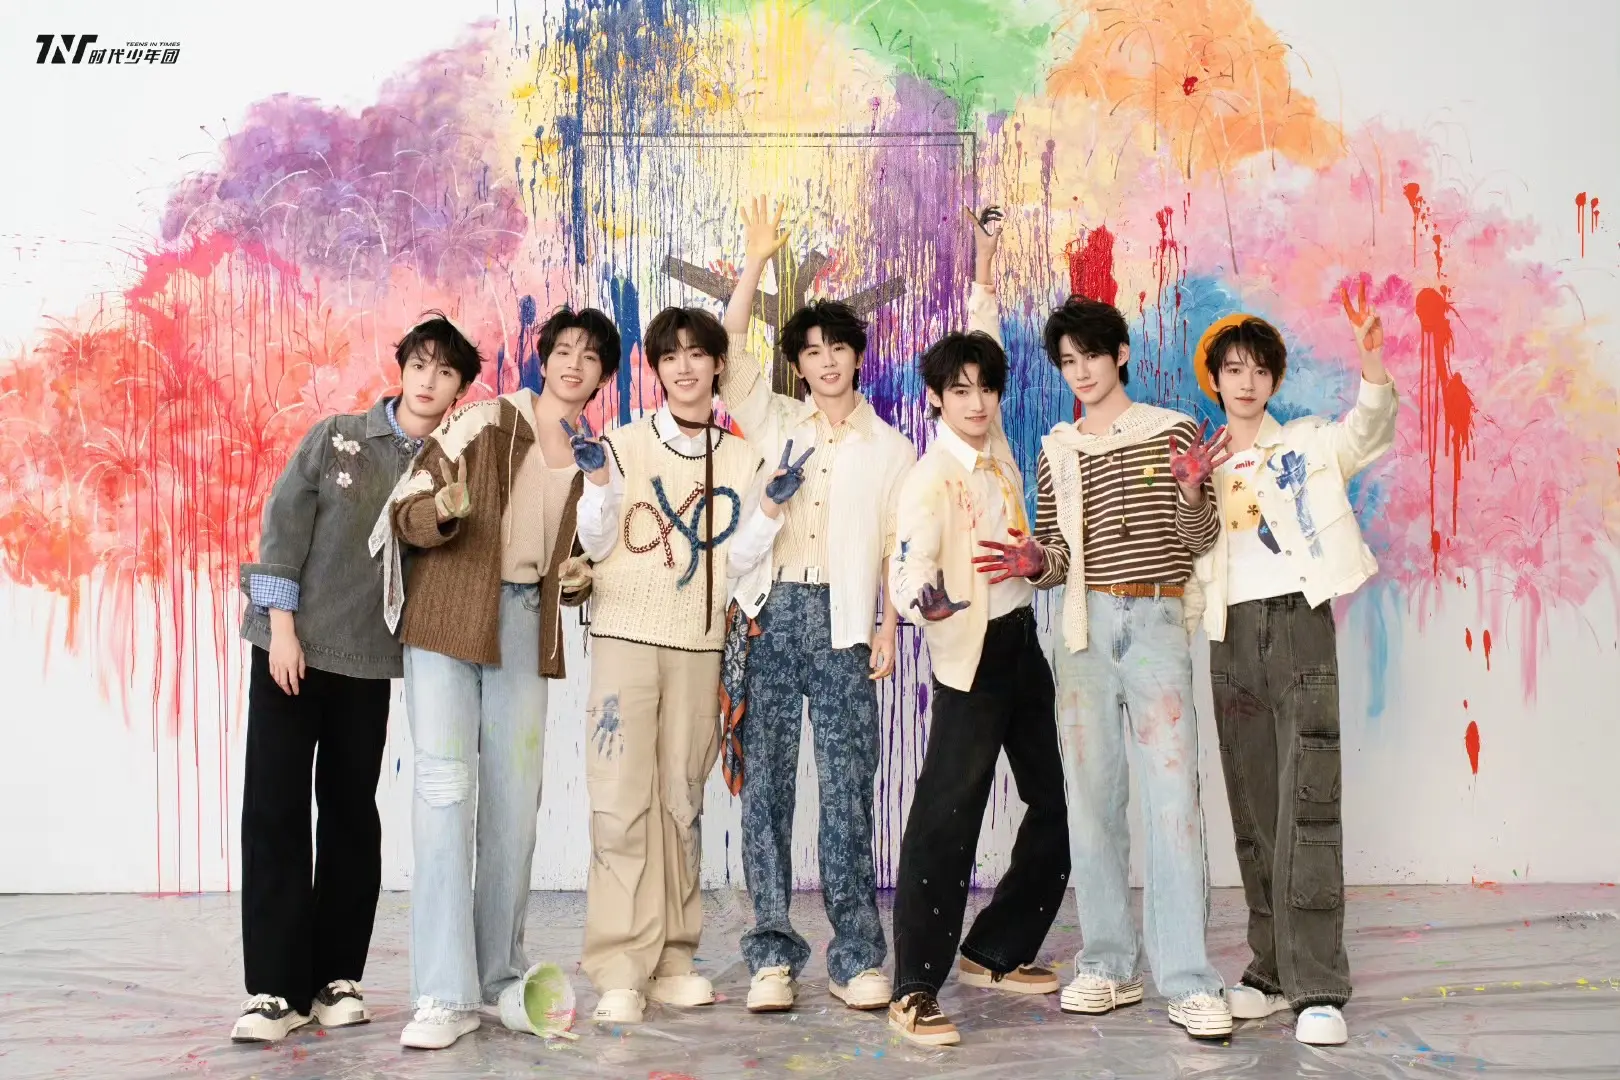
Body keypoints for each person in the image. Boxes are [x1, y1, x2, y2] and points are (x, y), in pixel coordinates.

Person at [996, 293, 1235, 1039]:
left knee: (1173, 803)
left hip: (1157, 623)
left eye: (1092, 356)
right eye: (1068, 362)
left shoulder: (1174, 430)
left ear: (1120, 354)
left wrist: (1191, 488)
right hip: (1083, 633)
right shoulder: (1058, 448)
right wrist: (1035, 562)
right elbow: (1058, 558)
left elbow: (1199, 539)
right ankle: (1106, 963)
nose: (1081, 372)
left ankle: (1188, 978)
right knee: (1090, 802)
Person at [231, 314, 474, 1042]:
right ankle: (275, 991)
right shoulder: (337, 437)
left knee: (348, 815)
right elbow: (283, 527)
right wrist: (281, 630)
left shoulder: (452, 466)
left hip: (369, 663)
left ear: (460, 388)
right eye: (420, 365)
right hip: (292, 650)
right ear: (402, 368)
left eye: (446, 372)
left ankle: (337, 975)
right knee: (274, 810)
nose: (429, 381)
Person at [383, 306, 620, 1050]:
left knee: (515, 806)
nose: (574, 363)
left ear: (603, 377)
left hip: (523, 625)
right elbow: (406, 506)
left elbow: (590, 550)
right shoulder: (487, 420)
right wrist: (442, 510)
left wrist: (578, 578)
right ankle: (442, 994)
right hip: (448, 615)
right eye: (564, 350)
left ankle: (496, 977)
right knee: (445, 795)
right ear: (544, 359)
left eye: (591, 357)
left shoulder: (596, 454)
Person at [571, 304, 803, 1026]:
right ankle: (620, 966)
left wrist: (769, 509)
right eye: (669, 356)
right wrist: (599, 485)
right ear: (656, 368)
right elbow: (595, 541)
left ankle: (673, 958)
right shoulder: (621, 445)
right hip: (625, 637)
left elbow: (737, 561)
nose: (684, 367)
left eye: (697, 353)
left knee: (681, 799)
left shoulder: (740, 457)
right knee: (621, 801)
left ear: (717, 365)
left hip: (699, 647)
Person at [713, 197, 916, 1014]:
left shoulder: (893, 447)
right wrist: (756, 260)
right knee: (764, 791)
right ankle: (770, 953)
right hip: (769, 616)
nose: (827, 361)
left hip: (845, 624)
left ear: (857, 357)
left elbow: (899, 545)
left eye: (838, 348)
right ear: (797, 365)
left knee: (846, 792)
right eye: (812, 351)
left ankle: (857, 954)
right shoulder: (773, 420)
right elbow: (729, 349)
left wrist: (889, 627)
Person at [883, 207, 1070, 1048]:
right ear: (935, 398)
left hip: (1022, 640)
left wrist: (985, 264)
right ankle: (914, 987)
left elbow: (982, 340)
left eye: (986, 388)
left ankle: (994, 950)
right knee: (946, 820)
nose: (976, 400)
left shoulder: (995, 447)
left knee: (1055, 800)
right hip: (971, 654)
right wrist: (927, 603)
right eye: (958, 390)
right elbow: (907, 569)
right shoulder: (928, 478)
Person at [1192, 287, 1397, 1046]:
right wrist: (1186, 489)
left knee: (1308, 805)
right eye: (1232, 370)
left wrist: (1371, 363)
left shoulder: (1308, 442)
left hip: (1298, 627)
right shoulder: (1202, 459)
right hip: (1228, 634)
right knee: (1253, 811)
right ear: (1215, 380)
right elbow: (1187, 548)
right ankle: (1270, 972)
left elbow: (1367, 434)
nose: (1245, 382)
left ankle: (1318, 985)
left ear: (1274, 379)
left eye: (1258, 370)